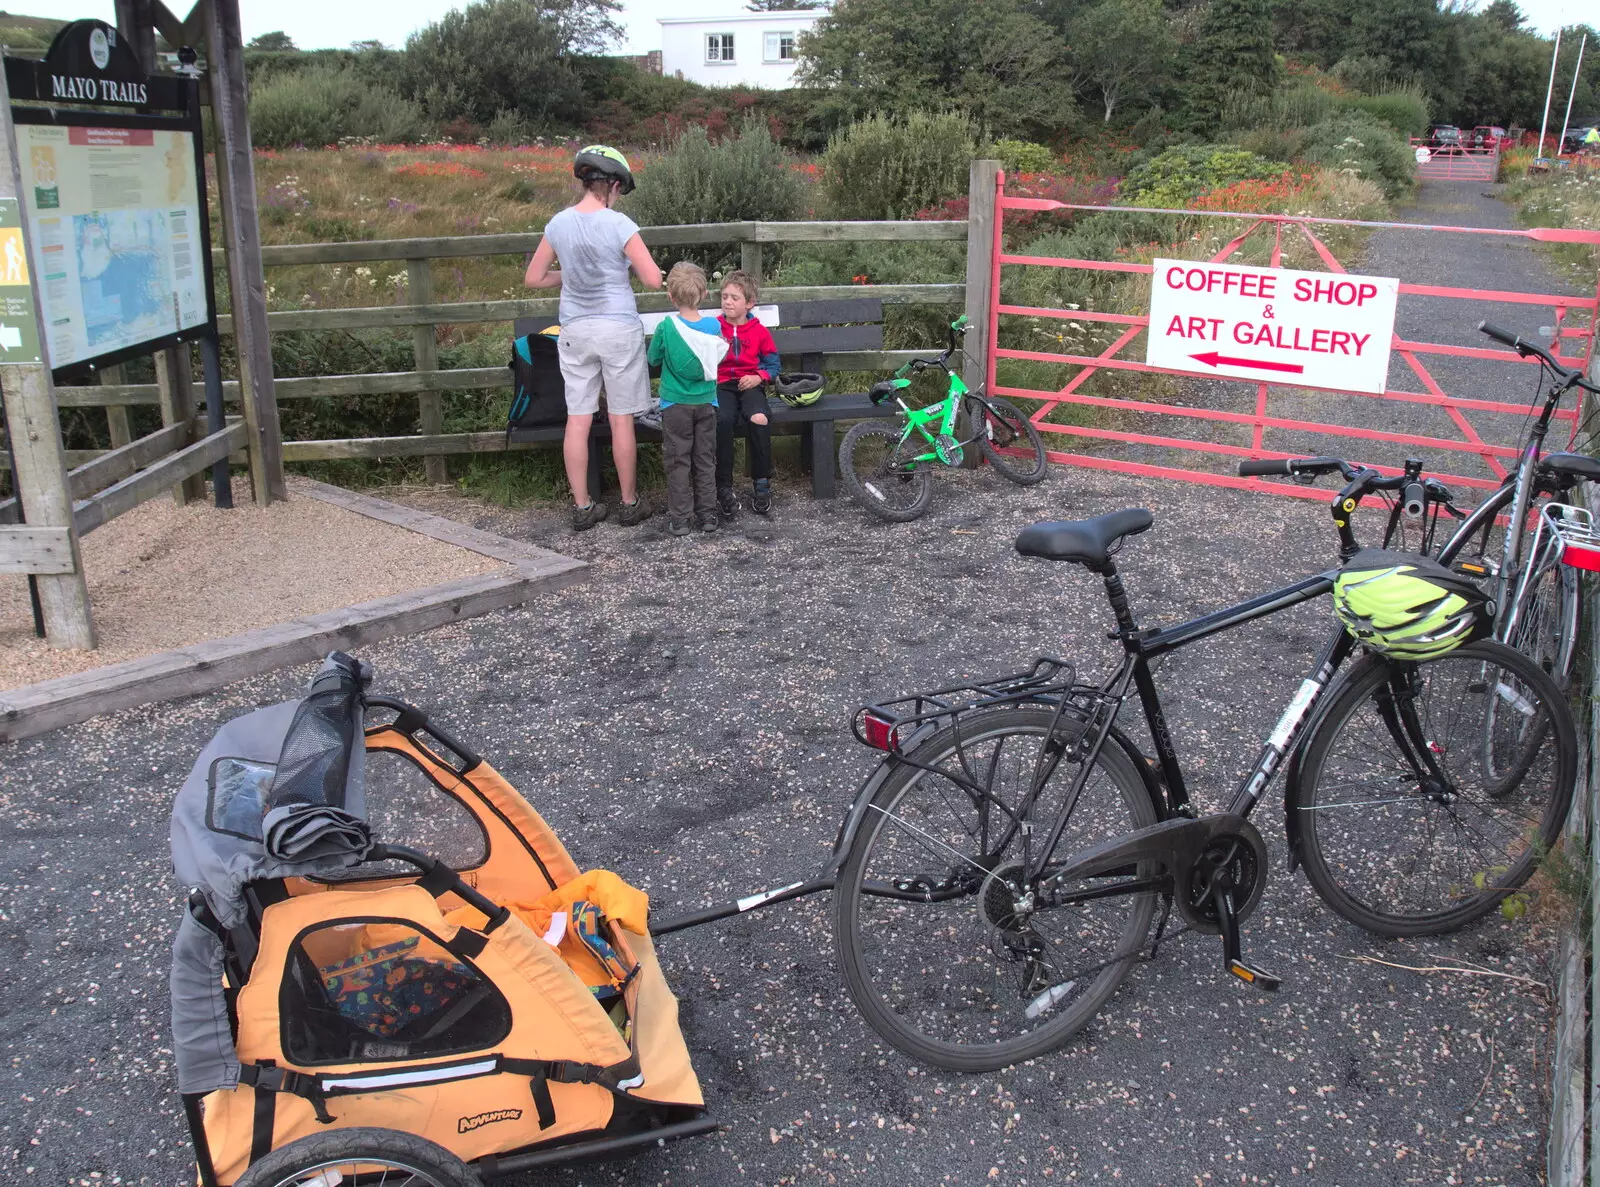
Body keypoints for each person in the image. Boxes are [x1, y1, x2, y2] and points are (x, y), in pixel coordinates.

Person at [525, 145, 662, 531]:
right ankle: (629, 502)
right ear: (614, 185)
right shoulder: (619, 225)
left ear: (587, 181)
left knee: (578, 419)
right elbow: (652, 278)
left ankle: (583, 507)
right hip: (617, 329)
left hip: (576, 331)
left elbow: (534, 278)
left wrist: (569, 274)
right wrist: (619, 269)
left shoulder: (558, 223)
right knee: (621, 420)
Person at [648, 262, 727, 536]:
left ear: (670, 296)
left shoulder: (666, 326)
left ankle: (680, 519)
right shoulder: (713, 326)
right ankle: (708, 516)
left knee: (678, 461)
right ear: (704, 294)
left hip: (674, 405)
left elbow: (653, 359)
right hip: (706, 402)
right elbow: (719, 356)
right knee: (705, 459)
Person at [714, 270, 780, 517]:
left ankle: (761, 482)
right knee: (722, 420)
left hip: (750, 383)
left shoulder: (759, 331)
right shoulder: (714, 327)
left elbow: (773, 366)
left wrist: (758, 377)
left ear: (749, 304)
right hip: (722, 385)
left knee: (758, 418)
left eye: (734, 298)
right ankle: (723, 487)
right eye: (724, 296)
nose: (727, 302)